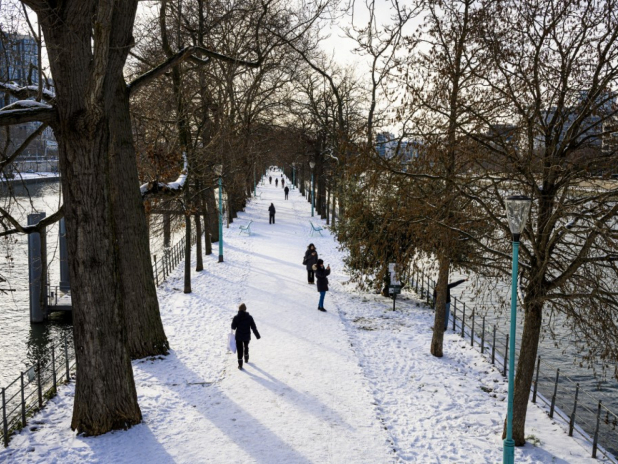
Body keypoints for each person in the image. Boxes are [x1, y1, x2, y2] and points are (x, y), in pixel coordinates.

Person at [231, 303, 260, 369]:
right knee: (246, 346)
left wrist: (233, 322)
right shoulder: (249, 317)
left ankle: (240, 365)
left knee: (240, 349)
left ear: (239, 309)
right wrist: (257, 335)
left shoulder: (236, 317)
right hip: (247, 336)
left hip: (238, 336)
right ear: (245, 309)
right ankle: (246, 358)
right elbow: (253, 327)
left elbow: (233, 327)